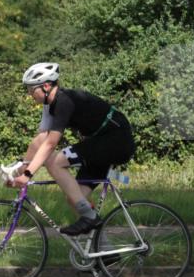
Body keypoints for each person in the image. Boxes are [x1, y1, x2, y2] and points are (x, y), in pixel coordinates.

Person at [12, 62, 136, 235]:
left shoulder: (64, 101)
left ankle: (89, 218)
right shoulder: (50, 106)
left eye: (32, 89)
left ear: (46, 86)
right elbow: (40, 140)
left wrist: (27, 174)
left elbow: (50, 143)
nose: (29, 93)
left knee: (55, 162)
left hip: (115, 140)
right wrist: (20, 170)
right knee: (75, 197)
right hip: (100, 143)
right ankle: (104, 251)